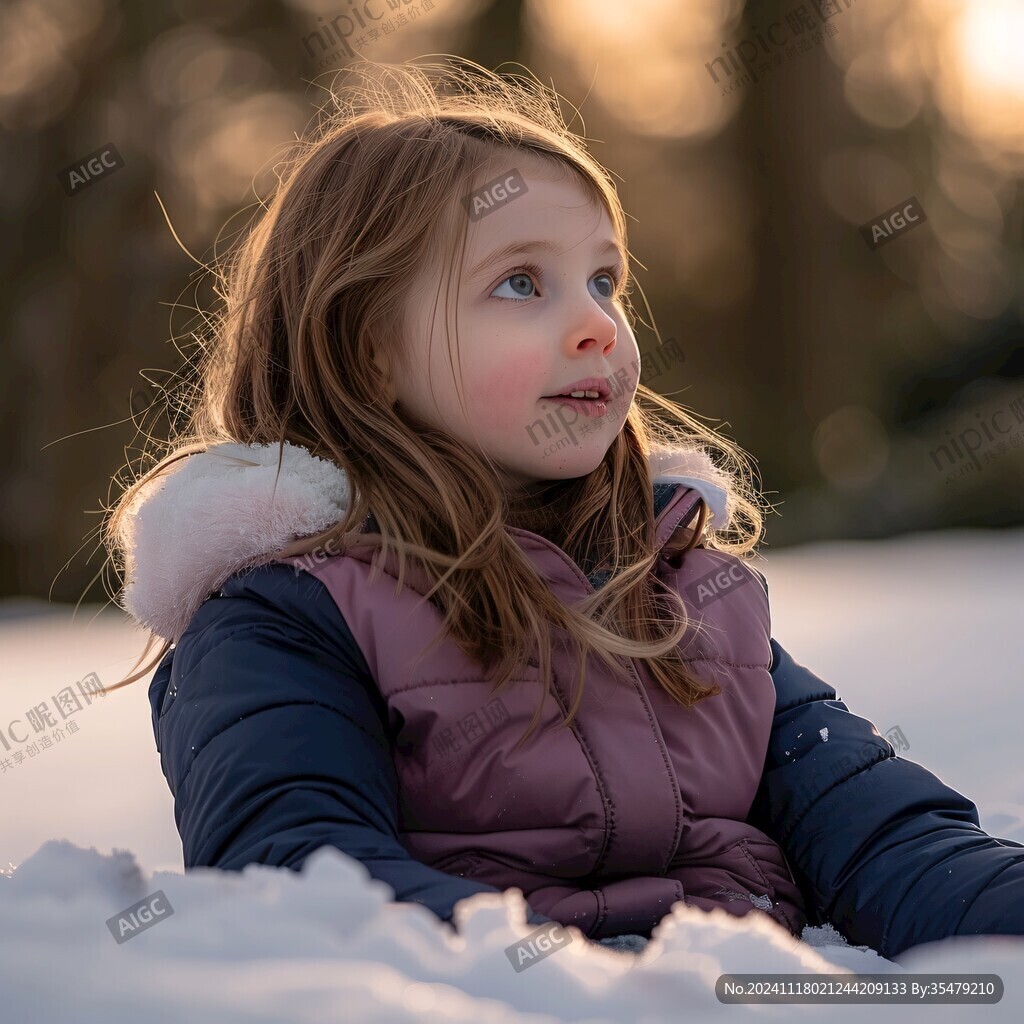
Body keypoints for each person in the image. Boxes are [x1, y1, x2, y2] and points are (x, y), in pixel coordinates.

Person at [101, 57, 1024, 961]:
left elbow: (886, 839)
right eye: (520, 283)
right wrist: (597, 984)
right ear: (369, 349)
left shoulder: (683, 594)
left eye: (604, 282)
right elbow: (305, 885)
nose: (598, 325)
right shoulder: (285, 622)